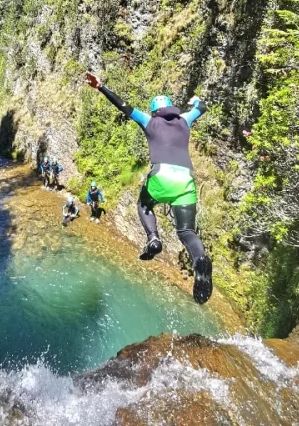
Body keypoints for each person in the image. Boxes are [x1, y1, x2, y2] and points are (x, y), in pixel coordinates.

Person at [85, 71, 213, 305]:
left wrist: (100, 86)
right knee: (186, 232)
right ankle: (200, 260)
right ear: (172, 108)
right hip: (186, 180)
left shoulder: (150, 121)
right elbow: (202, 107)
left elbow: (124, 106)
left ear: (154, 110)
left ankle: (153, 238)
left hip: (161, 175)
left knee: (144, 206)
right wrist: (195, 101)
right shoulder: (185, 119)